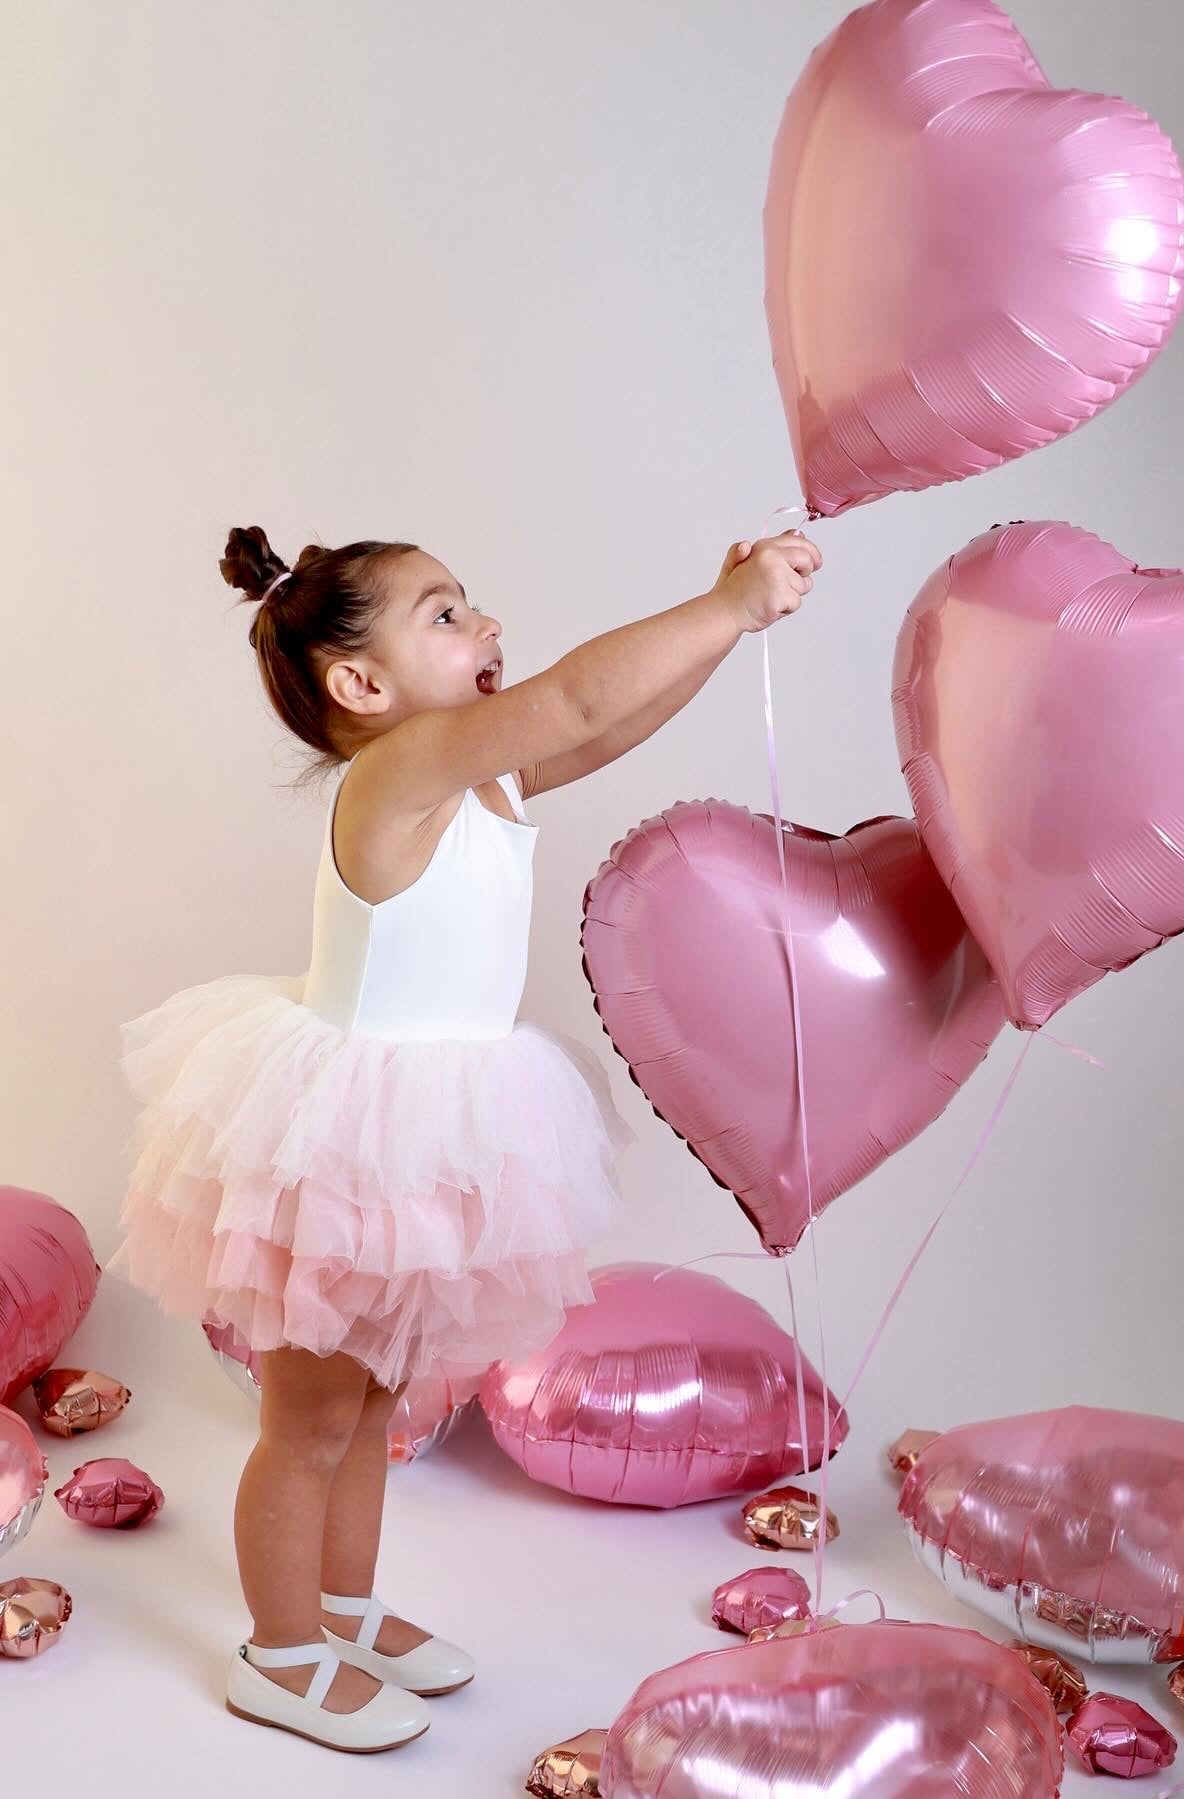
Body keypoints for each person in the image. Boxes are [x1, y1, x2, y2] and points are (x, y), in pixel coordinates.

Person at [106, 522, 823, 1752]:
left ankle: (342, 1607)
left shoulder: (480, 776)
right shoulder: (406, 767)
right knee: (310, 1419)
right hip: (344, 1146)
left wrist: (721, 621)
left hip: (426, 1140)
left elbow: (608, 723)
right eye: (443, 614)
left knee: (374, 1403)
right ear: (361, 684)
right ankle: (280, 1652)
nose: (484, 624)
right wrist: (731, 607)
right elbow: (576, 696)